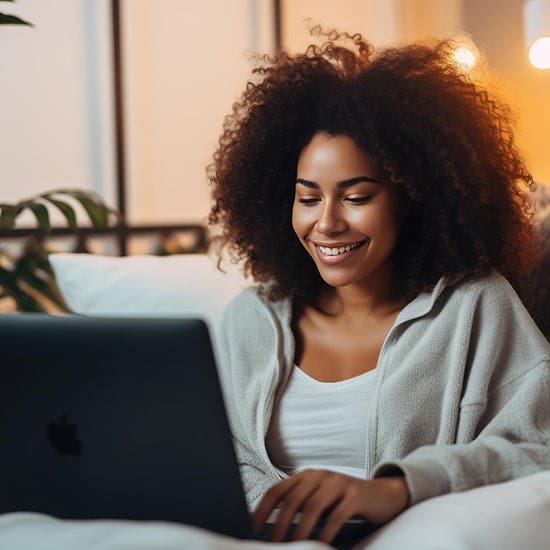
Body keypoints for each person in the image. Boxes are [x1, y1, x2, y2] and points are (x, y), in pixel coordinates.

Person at [208, 29, 550, 546]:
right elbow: (215, 458)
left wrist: (400, 487)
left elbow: (538, 443)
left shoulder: (474, 305)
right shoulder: (250, 319)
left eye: (357, 196)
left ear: (413, 197)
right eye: (308, 198)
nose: (326, 224)